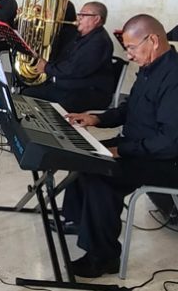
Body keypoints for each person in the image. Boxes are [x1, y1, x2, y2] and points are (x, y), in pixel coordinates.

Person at [60, 15, 178, 278]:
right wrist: (97, 117)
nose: (129, 54)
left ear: (154, 40)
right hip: (138, 147)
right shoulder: (150, 67)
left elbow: (169, 142)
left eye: (132, 48)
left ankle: (103, 258)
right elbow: (129, 109)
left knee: (102, 178)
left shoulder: (174, 77)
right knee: (84, 154)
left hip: (165, 161)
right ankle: (78, 222)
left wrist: (120, 151)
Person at [21, 2, 115, 112]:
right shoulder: (80, 36)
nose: (79, 18)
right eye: (79, 14)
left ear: (96, 19)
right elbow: (63, 59)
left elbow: (73, 69)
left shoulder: (99, 42)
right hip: (71, 86)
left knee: (44, 102)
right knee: (28, 92)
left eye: (83, 15)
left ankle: (50, 127)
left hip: (89, 92)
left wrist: (46, 67)